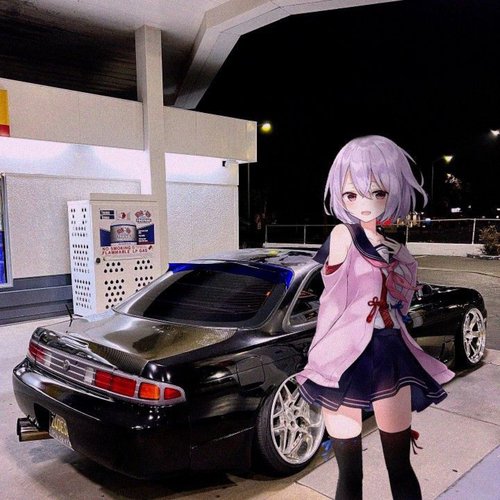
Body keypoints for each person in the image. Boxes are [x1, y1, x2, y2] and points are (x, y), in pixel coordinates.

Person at [296, 135, 454, 500]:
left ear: (392, 192)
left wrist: (401, 266)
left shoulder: (396, 248)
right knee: (350, 475)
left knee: (400, 467)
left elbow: (403, 300)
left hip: (388, 352)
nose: (365, 203)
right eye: (352, 195)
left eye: (378, 193)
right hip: (343, 358)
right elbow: (333, 288)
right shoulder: (342, 235)